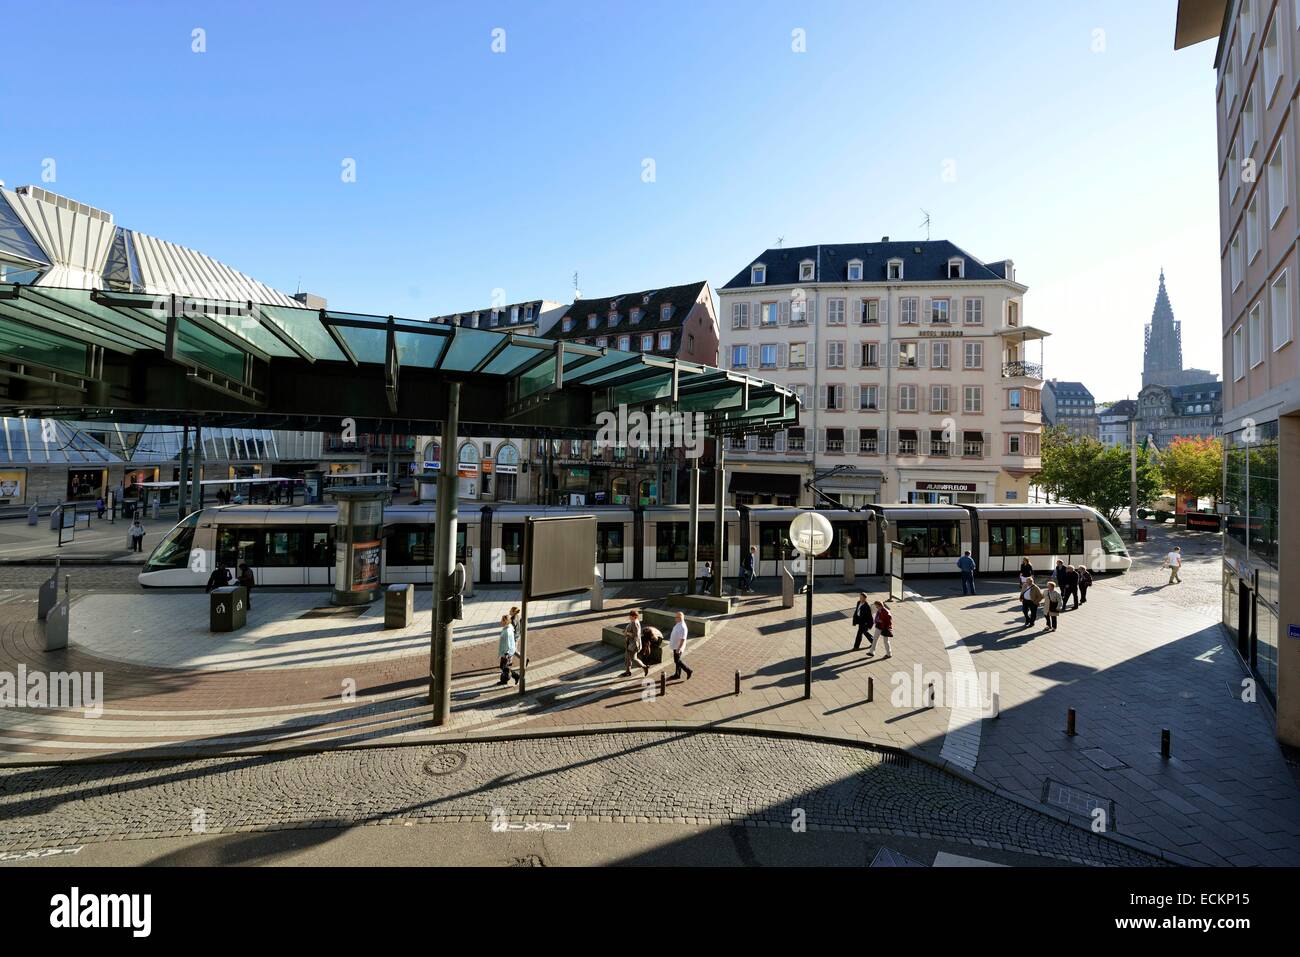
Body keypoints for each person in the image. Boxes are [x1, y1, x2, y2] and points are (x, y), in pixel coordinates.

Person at [669, 611, 693, 680]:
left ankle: (688, 670)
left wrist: (678, 649)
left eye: (676, 617)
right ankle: (677, 674)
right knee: (677, 661)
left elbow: (682, 639)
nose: (675, 618)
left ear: (679, 618)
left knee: (677, 661)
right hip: (676, 646)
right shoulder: (679, 623)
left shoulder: (682, 627)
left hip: (678, 647)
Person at [497, 614, 519, 685]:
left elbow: (508, 643)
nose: (501, 621)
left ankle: (509, 679)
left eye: (502, 620)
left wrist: (506, 654)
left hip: (506, 652)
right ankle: (514, 676)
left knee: (504, 667)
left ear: (505, 621)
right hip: (508, 651)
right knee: (503, 667)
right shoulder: (509, 627)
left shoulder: (507, 631)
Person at [621, 609, 642, 678]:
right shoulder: (633, 621)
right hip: (630, 643)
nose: (629, 616)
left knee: (633, 658)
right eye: (629, 615)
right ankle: (628, 672)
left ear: (634, 616)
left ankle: (644, 666)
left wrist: (626, 633)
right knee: (628, 658)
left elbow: (636, 635)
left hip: (633, 644)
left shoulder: (634, 623)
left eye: (631, 615)